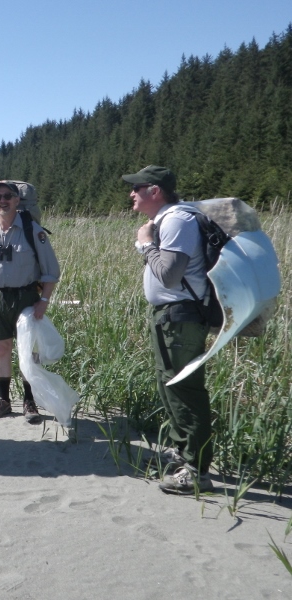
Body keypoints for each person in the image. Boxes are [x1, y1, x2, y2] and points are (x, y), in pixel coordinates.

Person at [124, 164, 215, 495]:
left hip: (181, 317)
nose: (131, 193)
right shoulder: (167, 219)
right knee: (170, 387)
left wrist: (145, 245)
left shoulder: (177, 219)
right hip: (170, 316)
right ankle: (183, 453)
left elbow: (171, 275)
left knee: (185, 390)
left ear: (155, 191)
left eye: (138, 187)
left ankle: (197, 470)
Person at [0, 181, 60, 424]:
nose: (2, 200)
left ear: (17, 200)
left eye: (7, 195)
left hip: (26, 297)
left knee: (28, 352)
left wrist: (43, 301)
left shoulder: (33, 230)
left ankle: (29, 401)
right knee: (2, 349)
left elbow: (51, 271)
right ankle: (4, 401)